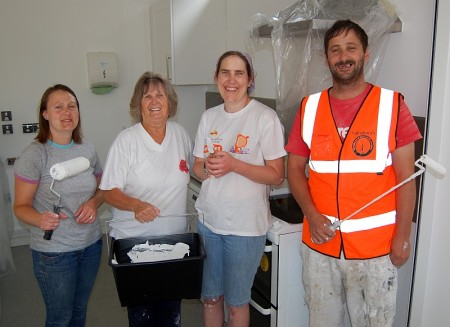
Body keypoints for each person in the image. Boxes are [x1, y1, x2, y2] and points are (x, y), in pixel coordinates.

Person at [286, 20, 423, 326]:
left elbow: (406, 179)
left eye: (351, 48)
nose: (343, 56)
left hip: (376, 252)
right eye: (335, 50)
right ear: (327, 59)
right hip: (322, 246)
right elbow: (293, 168)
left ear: (366, 53)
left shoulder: (392, 105)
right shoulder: (309, 107)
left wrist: (403, 235)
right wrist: (311, 213)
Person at [193, 50, 286, 326]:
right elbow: (197, 167)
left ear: (250, 80)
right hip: (209, 221)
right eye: (225, 72)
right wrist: (207, 168)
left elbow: (277, 176)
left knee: (236, 303)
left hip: (245, 228)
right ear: (216, 77)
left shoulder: (264, 118)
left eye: (239, 73)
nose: (231, 80)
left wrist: (235, 165)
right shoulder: (209, 117)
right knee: (210, 297)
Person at [99, 71, 193, 327]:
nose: (154, 101)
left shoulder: (180, 134)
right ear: (138, 105)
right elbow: (108, 191)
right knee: (142, 316)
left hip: (174, 244)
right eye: (147, 96)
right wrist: (135, 205)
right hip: (135, 246)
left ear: (169, 102)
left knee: (171, 314)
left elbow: (195, 170)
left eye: (160, 95)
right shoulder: (126, 141)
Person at [13, 84, 104, 326]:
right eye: (59, 107)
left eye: (72, 106)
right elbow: (20, 206)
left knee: (79, 310)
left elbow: (102, 188)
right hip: (54, 253)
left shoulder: (87, 149)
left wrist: (94, 203)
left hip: (91, 245)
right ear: (45, 114)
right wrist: (40, 219)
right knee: (60, 317)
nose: (67, 112)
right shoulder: (35, 155)